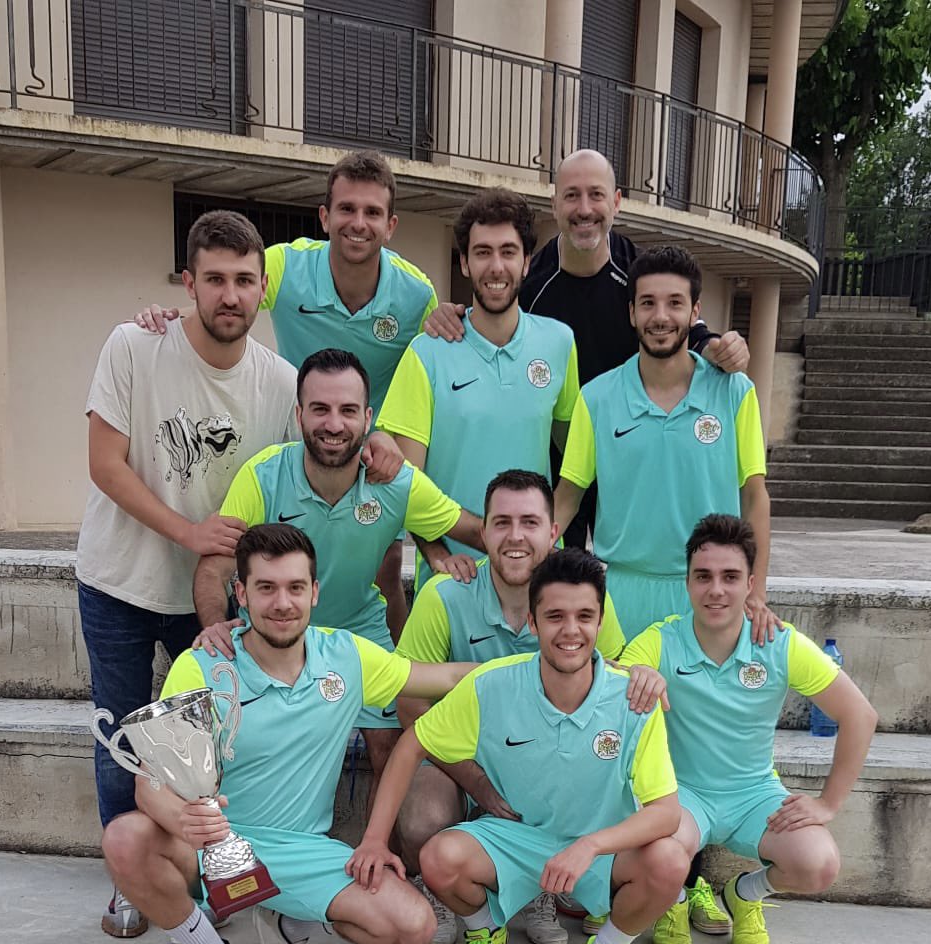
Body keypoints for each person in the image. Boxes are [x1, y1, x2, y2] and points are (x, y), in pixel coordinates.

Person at [101, 524, 476, 944]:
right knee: (125, 837)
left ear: (314, 592)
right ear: (241, 593)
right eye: (266, 588)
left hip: (302, 850)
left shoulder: (346, 656)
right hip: (217, 843)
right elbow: (151, 786)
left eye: (296, 588)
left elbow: (449, 678)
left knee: (414, 925)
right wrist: (182, 819)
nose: (283, 603)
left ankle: (285, 918)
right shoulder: (203, 665)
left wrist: (552, 666)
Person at [78, 210, 300, 940]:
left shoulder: (280, 384)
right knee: (123, 737)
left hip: (208, 602)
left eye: (243, 281)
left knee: (211, 748)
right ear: (189, 283)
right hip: (119, 581)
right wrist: (189, 532)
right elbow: (104, 464)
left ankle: (214, 874)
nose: (229, 295)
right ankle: (128, 885)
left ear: (262, 289)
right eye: (214, 279)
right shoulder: (134, 346)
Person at [348, 548, 686, 944]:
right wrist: (372, 840)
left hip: (596, 846)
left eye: (585, 616)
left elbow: (666, 812)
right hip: (517, 837)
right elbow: (412, 745)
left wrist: (590, 845)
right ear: (532, 621)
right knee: (439, 859)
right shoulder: (492, 684)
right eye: (555, 616)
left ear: (601, 619)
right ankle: (485, 930)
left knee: (671, 860)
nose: (571, 631)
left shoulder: (632, 697)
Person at [138, 150, 439, 640]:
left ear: (391, 225)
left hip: (367, 445)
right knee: (283, 559)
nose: (357, 223)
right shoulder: (285, 265)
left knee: (385, 565)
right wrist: (173, 317)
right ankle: (284, 660)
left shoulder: (415, 293)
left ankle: (392, 678)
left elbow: (425, 371)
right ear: (324, 216)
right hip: (299, 436)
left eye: (371, 212)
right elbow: (233, 294)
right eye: (345, 209)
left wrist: (384, 434)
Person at [192, 348, 484, 804]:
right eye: (320, 409)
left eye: (348, 410)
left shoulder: (394, 482)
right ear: (299, 414)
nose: (334, 424)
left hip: (360, 629)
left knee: (387, 744)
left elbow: (470, 529)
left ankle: (376, 862)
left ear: (368, 418)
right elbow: (214, 568)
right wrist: (213, 623)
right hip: (273, 630)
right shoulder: (263, 476)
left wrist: (532, 545)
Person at [424, 149, 750, 549]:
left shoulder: (639, 272)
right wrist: (452, 314)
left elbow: (680, 324)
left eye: (596, 195)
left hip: (629, 454)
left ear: (616, 202)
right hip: (562, 469)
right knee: (562, 587)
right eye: (572, 196)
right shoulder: (531, 284)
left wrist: (719, 345)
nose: (584, 209)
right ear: (555, 204)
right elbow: (492, 312)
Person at [619, 514, 877, 944]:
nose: (716, 589)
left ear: (750, 584)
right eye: (703, 576)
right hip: (682, 797)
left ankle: (745, 894)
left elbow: (860, 714)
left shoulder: (779, 643)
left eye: (730, 577)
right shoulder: (659, 641)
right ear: (687, 582)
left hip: (752, 794)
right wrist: (633, 674)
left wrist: (828, 803)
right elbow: (610, 686)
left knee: (819, 864)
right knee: (657, 856)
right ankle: (674, 901)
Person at [394, 469, 626, 944]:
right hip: (461, 752)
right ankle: (442, 892)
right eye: (501, 523)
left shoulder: (580, 595)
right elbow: (411, 703)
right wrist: (473, 778)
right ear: (483, 532)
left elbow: (614, 683)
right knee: (419, 816)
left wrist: (644, 674)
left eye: (529, 522)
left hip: (545, 751)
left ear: (553, 531)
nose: (515, 536)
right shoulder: (445, 594)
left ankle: (539, 890)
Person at [555, 245, 776, 645]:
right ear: (631, 313)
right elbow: (567, 497)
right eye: (647, 303)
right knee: (628, 706)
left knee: (699, 709)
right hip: (623, 597)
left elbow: (754, 498)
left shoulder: (735, 392)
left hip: (711, 593)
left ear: (695, 313)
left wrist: (756, 593)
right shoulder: (597, 398)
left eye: (675, 303)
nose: (660, 317)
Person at [378, 187, 580, 589]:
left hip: (530, 579)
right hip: (454, 577)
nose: (496, 266)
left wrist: (546, 535)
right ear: (465, 264)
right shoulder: (427, 352)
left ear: (526, 262)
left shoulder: (559, 343)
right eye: (483, 252)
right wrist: (436, 552)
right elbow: (407, 479)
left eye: (508, 252)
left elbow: (575, 462)